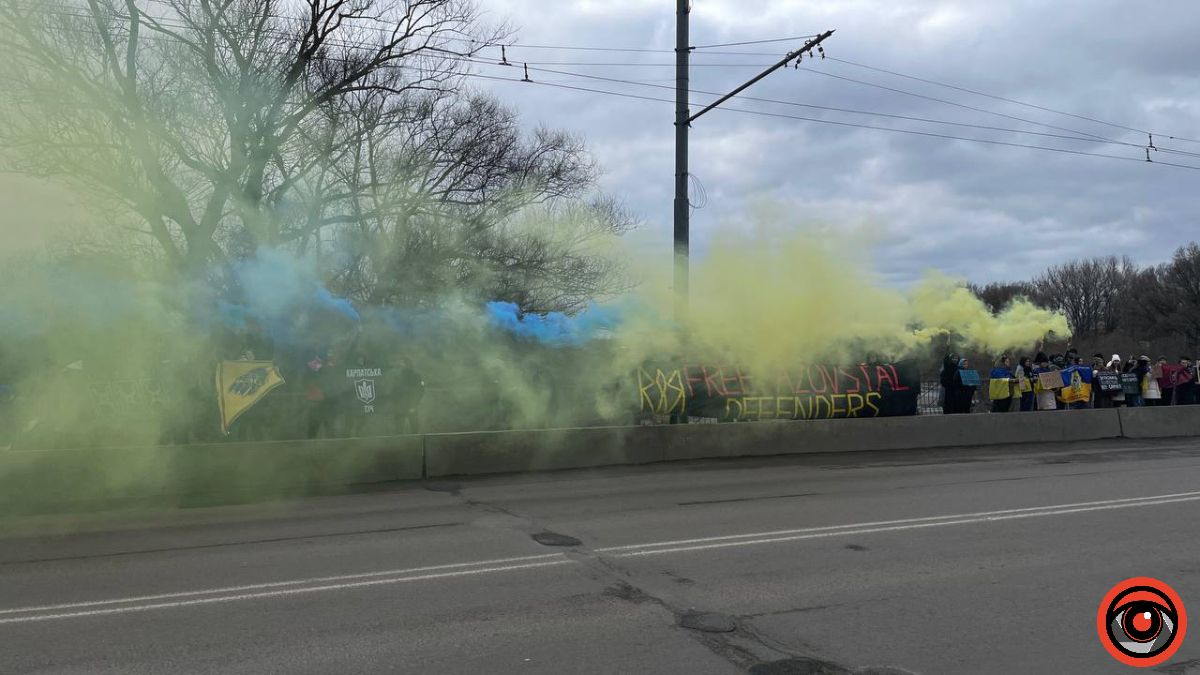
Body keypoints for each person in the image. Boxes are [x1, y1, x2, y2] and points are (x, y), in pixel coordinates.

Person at [392, 357, 425, 435]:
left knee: (413, 428)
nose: (402, 366)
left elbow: (420, 390)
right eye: (402, 365)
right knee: (400, 429)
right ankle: (403, 444)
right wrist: (395, 402)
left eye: (403, 364)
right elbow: (393, 391)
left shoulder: (416, 376)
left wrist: (415, 403)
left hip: (410, 404)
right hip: (402, 405)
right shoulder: (398, 377)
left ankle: (414, 443)